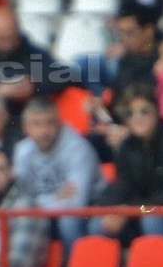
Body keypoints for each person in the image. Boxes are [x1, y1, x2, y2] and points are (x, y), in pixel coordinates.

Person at [95, 84, 163, 243]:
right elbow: (123, 184)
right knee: (97, 223)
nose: (137, 117)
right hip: (143, 209)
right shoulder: (127, 146)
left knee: (152, 219)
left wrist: (132, 210)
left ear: (157, 110)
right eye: (129, 113)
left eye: (144, 111)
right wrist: (104, 205)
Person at [12, 96, 104, 255]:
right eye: (36, 124)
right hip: (48, 213)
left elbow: (75, 203)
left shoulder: (78, 149)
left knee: (68, 221)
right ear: (25, 127)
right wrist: (57, 198)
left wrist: (35, 204)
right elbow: (21, 199)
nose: (43, 131)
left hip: (91, 208)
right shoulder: (22, 151)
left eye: (49, 123)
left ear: (59, 123)